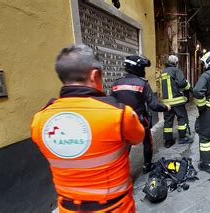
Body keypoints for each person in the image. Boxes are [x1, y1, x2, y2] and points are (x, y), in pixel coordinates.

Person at [30, 44, 145, 212]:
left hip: (68, 208)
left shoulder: (39, 120)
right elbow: (138, 137)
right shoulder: (118, 115)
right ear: (94, 75)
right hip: (114, 208)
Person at [111, 55, 169, 174]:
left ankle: (120, 171)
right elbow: (153, 105)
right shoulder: (142, 84)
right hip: (140, 120)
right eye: (143, 68)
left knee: (125, 146)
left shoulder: (117, 83)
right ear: (137, 68)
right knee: (147, 141)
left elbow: (112, 102)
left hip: (121, 120)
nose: (144, 71)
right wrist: (166, 107)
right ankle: (147, 166)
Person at [159, 55, 193, 148]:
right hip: (177, 101)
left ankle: (168, 141)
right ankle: (182, 138)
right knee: (182, 118)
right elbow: (182, 83)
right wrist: (189, 88)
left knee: (168, 121)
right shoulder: (176, 70)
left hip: (166, 103)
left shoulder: (163, 72)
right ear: (176, 63)